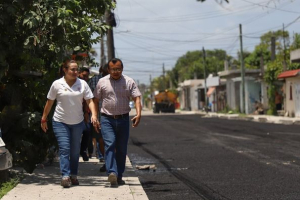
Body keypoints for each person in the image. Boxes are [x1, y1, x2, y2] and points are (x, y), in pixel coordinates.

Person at [41, 60, 98, 188]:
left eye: (76, 69)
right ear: (65, 70)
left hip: (77, 122)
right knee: (65, 148)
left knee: (75, 150)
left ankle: (74, 175)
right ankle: (65, 176)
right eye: (72, 69)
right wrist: (44, 118)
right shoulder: (57, 84)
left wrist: (94, 114)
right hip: (60, 121)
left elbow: (90, 101)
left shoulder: (82, 84)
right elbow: (49, 102)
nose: (75, 72)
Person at [93, 58, 141, 187]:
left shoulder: (129, 81)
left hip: (123, 119)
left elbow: (136, 97)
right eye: (113, 69)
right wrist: (94, 116)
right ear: (108, 70)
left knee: (121, 149)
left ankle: (119, 175)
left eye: (118, 69)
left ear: (122, 69)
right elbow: (95, 100)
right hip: (107, 119)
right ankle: (112, 172)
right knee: (110, 144)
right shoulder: (102, 82)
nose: (116, 72)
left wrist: (138, 113)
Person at [88, 64, 109, 172]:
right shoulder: (94, 80)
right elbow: (89, 98)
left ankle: (109, 162)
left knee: (106, 141)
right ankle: (107, 162)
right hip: (98, 115)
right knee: (101, 140)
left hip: (111, 115)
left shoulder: (117, 80)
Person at [78, 67, 93, 161]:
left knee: (87, 131)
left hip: (83, 113)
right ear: (79, 73)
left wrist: (87, 113)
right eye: (84, 75)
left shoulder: (86, 85)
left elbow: (88, 100)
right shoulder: (74, 83)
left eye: (87, 76)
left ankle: (83, 150)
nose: (85, 78)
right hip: (73, 113)